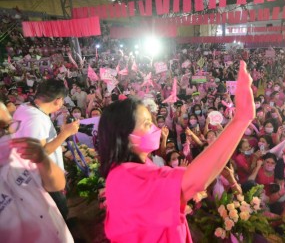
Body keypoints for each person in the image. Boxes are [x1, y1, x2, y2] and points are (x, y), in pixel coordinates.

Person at [98, 61, 254, 242]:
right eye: (147, 124)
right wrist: (240, 119)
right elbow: (192, 181)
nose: (155, 128)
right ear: (124, 134)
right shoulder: (125, 177)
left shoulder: (137, 165)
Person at [0, 101, 73, 242]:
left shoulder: (21, 151)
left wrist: (43, 160)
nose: (6, 135)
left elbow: (57, 185)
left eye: (8, 125)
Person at [12, 79, 80, 219]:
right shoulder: (36, 119)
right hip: (43, 177)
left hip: (31, 174)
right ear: (58, 100)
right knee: (59, 211)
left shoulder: (25, 107)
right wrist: (65, 133)